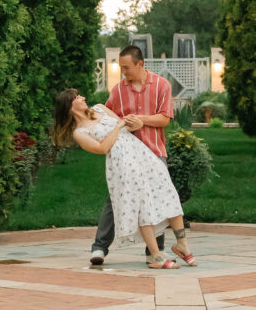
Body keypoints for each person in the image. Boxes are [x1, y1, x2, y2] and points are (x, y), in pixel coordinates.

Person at [52, 88, 197, 270]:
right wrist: (119, 127)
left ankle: (181, 243)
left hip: (141, 152)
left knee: (168, 191)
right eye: (77, 97)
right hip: (122, 163)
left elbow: (127, 126)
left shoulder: (99, 108)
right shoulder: (80, 132)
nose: (82, 97)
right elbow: (103, 148)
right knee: (143, 204)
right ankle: (156, 255)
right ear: (70, 106)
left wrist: (134, 123)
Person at [90, 45, 175, 266]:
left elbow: (165, 119)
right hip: (125, 154)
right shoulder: (118, 90)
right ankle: (99, 248)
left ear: (140, 64)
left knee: (155, 199)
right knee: (114, 198)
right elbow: (108, 116)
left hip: (154, 151)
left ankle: (154, 251)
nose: (123, 72)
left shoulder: (161, 85)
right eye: (121, 67)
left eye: (127, 67)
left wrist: (141, 120)